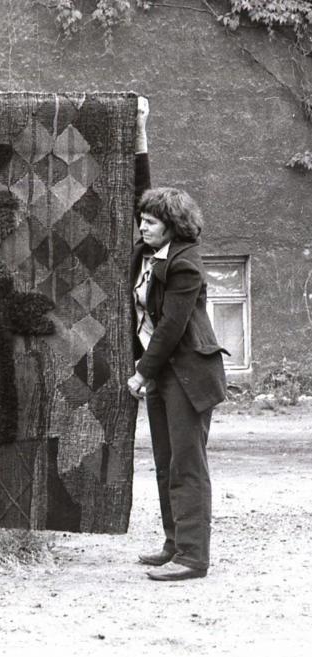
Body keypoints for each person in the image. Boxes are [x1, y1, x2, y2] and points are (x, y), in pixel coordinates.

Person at [127, 97, 228, 582]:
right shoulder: (148, 249)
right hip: (162, 372)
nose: (142, 225)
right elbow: (140, 192)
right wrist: (140, 131)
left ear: (171, 225)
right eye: (142, 220)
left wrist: (141, 373)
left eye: (150, 221)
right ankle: (174, 544)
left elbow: (170, 326)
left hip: (187, 375)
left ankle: (193, 557)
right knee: (167, 462)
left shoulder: (185, 263)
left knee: (188, 464)